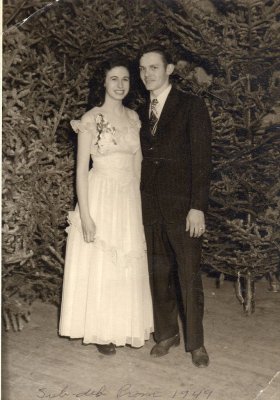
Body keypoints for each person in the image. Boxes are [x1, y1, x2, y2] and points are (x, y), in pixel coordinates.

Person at [59, 57, 154, 355]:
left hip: (127, 197)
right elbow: (80, 172)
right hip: (100, 193)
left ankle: (122, 325)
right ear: (103, 82)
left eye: (125, 79)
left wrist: (138, 202)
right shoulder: (90, 119)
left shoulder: (133, 118)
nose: (120, 85)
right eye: (114, 78)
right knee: (102, 261)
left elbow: (137, 164)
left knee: (126, 259)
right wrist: (84, 215)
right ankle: (101, 330)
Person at [138, 44, 212, 367]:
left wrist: (198, 206)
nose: (146, 75)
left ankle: (196, 342)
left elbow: (202, 160)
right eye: (142, 69)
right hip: (150, 207)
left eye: (153, 67)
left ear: (169, 70)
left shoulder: (191, 106)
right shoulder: (141, 111)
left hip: (184, 210)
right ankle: (167, 333)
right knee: (158, 273)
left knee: (188, 275)